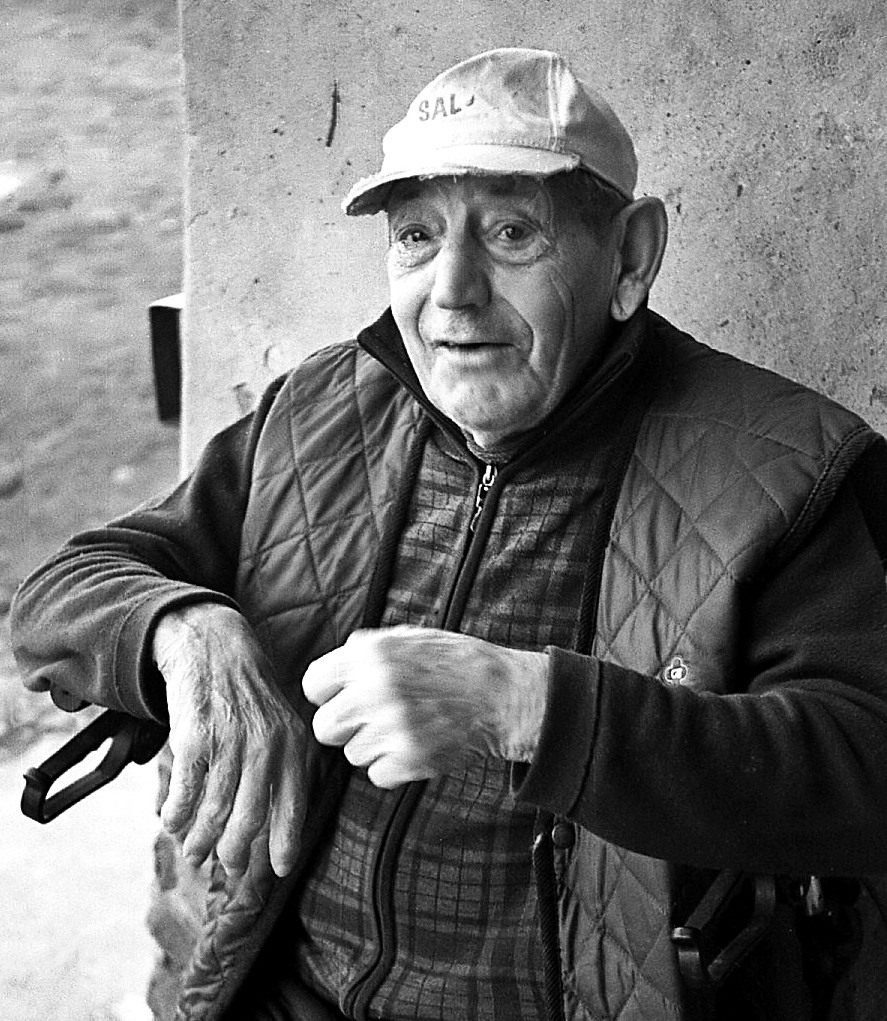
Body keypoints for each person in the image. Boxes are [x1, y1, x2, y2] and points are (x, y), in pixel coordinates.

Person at [11, 47, 887, 1021]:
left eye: (511, 233)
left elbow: (865, 768)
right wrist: (185, 630)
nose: (453, 291)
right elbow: (62, 592)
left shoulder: (781, 466)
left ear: (629, 258)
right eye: (417, 237)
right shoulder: (323, 405)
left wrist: (524, 705)